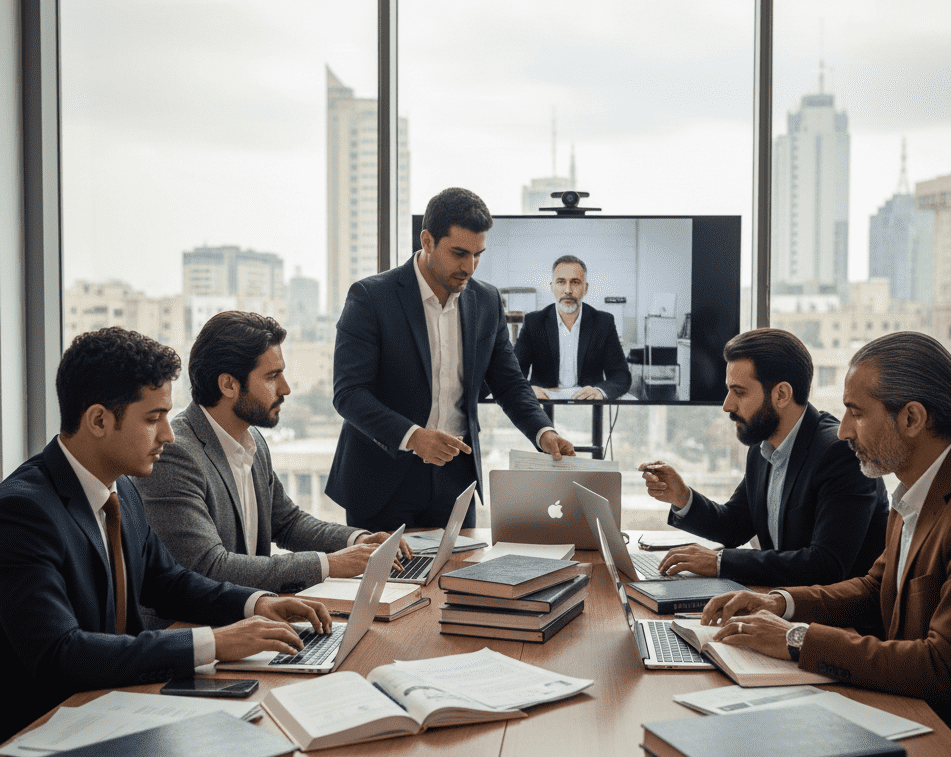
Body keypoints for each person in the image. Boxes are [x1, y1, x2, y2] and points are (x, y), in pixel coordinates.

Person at [700, 332, 951, 757]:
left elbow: (946, 668)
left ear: (911, 418)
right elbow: (876, 589)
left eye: (856, 413)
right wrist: (780, 603)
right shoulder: (915, 487)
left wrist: (797, 639)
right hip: (908, 712)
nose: (845, 429)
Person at [0, 328, 332, 742]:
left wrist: (257, 604)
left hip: (123, 705)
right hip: (51, 732)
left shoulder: (120, 488)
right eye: (153, 419)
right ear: (99, 420)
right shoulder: (23, 511)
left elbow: (169, 582)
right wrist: (213, 642)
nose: (169, 435)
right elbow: (60, 654)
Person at [326, 186, 575, 531]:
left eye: (478, 254)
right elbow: (349, 394)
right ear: (427, 241)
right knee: (391, 585)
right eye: (459, 253)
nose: (469, 267)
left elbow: (509, 382)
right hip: (382, 479)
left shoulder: (487, 301)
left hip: (455, 480)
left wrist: (542, 431)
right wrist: (414, 437)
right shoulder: (370, 297)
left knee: (456, 580)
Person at [135, 311, 409, 595]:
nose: (286, 388)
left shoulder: (252, 439)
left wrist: (357, 540)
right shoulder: (175, 454)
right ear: (228, 384)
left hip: (253, 614)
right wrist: (328, 565)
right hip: (194, 626)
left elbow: (287, 523)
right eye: (272, 376)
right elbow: (208, 567)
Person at [639, 328, 888, 586]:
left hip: (835, 620)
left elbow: (825, 565)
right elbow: (735, 525)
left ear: (781, 394)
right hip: (778, 602)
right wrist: (682, 497)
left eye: (740, 392)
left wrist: (720, 562)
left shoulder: (839, 453)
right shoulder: (763, 446)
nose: (727, 405)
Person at [513, 254, 632, 401]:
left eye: (575, 282)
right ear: (552, 287)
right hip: (544, 402)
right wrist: (527, 389)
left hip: (588, 404)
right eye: (561, 282)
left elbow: (621, 375)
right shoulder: (534, 322)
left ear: (585, 288)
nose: (568, 290)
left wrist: (600, 391)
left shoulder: (603, 322)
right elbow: (514, 372)